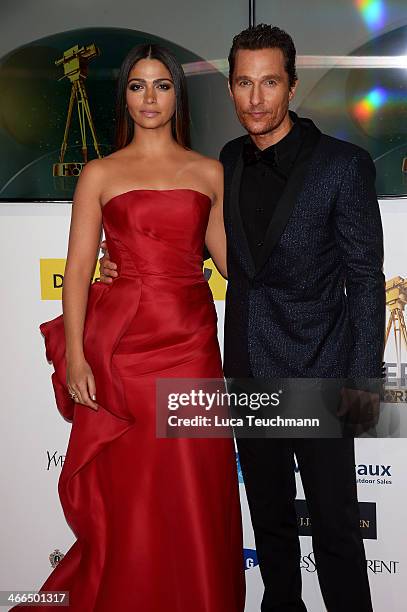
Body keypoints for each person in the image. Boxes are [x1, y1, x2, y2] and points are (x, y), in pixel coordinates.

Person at [100, 25, 386, 612]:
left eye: (270, 83)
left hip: (322, 374)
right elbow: (187, 240)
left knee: (335, 534)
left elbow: (365, 279)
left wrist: (362, 386)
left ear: (292, 86)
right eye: (244, 84)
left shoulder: (343, 164)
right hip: (249, 370)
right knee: (272, 532)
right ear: (230, 89)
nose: (257, 99)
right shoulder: (223, 163)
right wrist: (120, 264)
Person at [15, 44, 245, 612]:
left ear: (177, 95)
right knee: (136, 497)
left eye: (162, 85)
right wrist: (75, 357)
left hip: (192, 348)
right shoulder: (100, 172)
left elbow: (234, 265)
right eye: (138, 86)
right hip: (123, 359)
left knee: (194, 490)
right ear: (124, 96)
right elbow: (75, 271)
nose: (150, 97)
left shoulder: (210, 172)